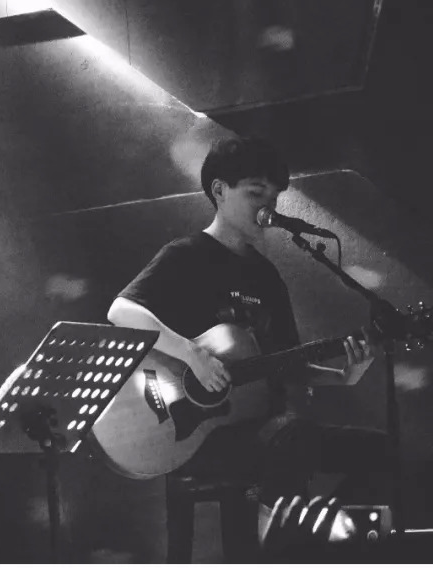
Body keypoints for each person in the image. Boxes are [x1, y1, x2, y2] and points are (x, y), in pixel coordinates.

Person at [107, 136, 389, 557]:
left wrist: (344, 377)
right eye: (256, 194)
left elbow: (285, 364)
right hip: (193, 433)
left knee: (380, 451)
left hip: (264, 431)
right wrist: (192, 354)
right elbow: (122, 310)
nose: (267, 208)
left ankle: (317, 548)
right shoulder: (185, 255)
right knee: (291, 433)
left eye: (273, 198)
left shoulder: (267, 277)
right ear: (220, 191)